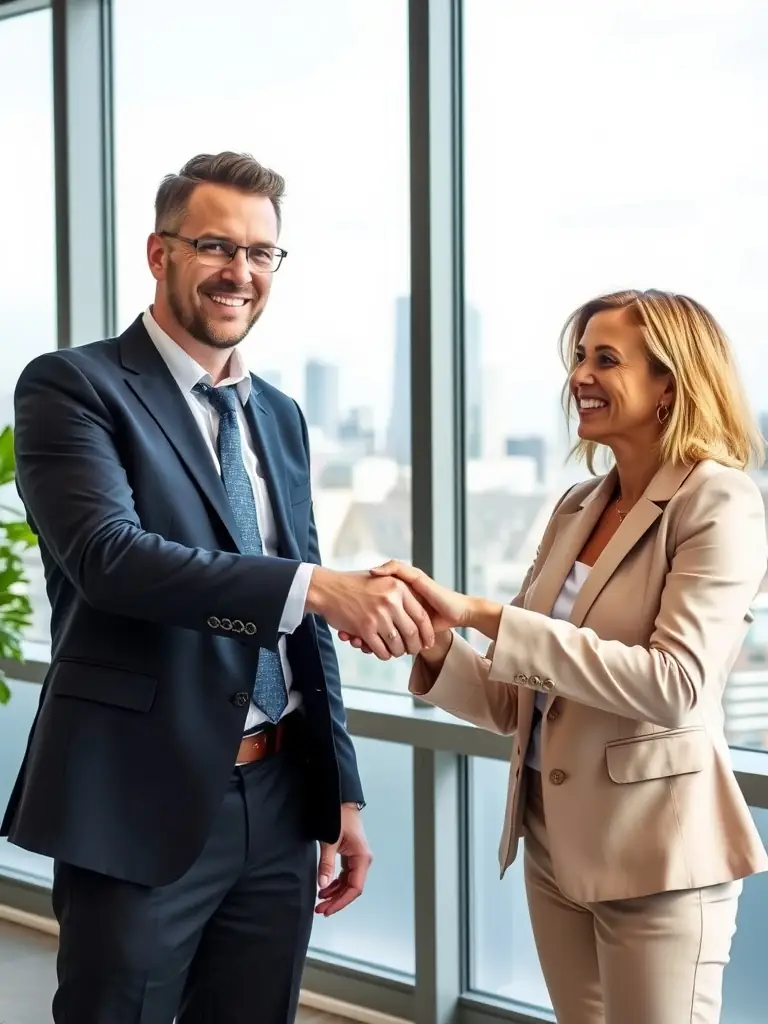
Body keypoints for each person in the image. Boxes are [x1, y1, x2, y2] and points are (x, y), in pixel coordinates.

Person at [1, 151, 437, 1024]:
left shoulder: (279, 414)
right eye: (215, 246)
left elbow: (303, 631)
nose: (241, 272)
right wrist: (318, 587)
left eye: (262, 253)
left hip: (279, 801)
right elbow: (111, 558)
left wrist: (340, 793)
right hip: (136, 795)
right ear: (159, 255)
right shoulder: (73, 386)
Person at [341, 289, 768, 1024]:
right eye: (578, 357)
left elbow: (677, 685)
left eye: (607, 358)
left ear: (671, 382)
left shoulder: (718, 502)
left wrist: (480, 612)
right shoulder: (577, 505)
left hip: (657, 861)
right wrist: (437, 642)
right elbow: (520, 701)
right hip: (553, 846)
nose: (580, 375)